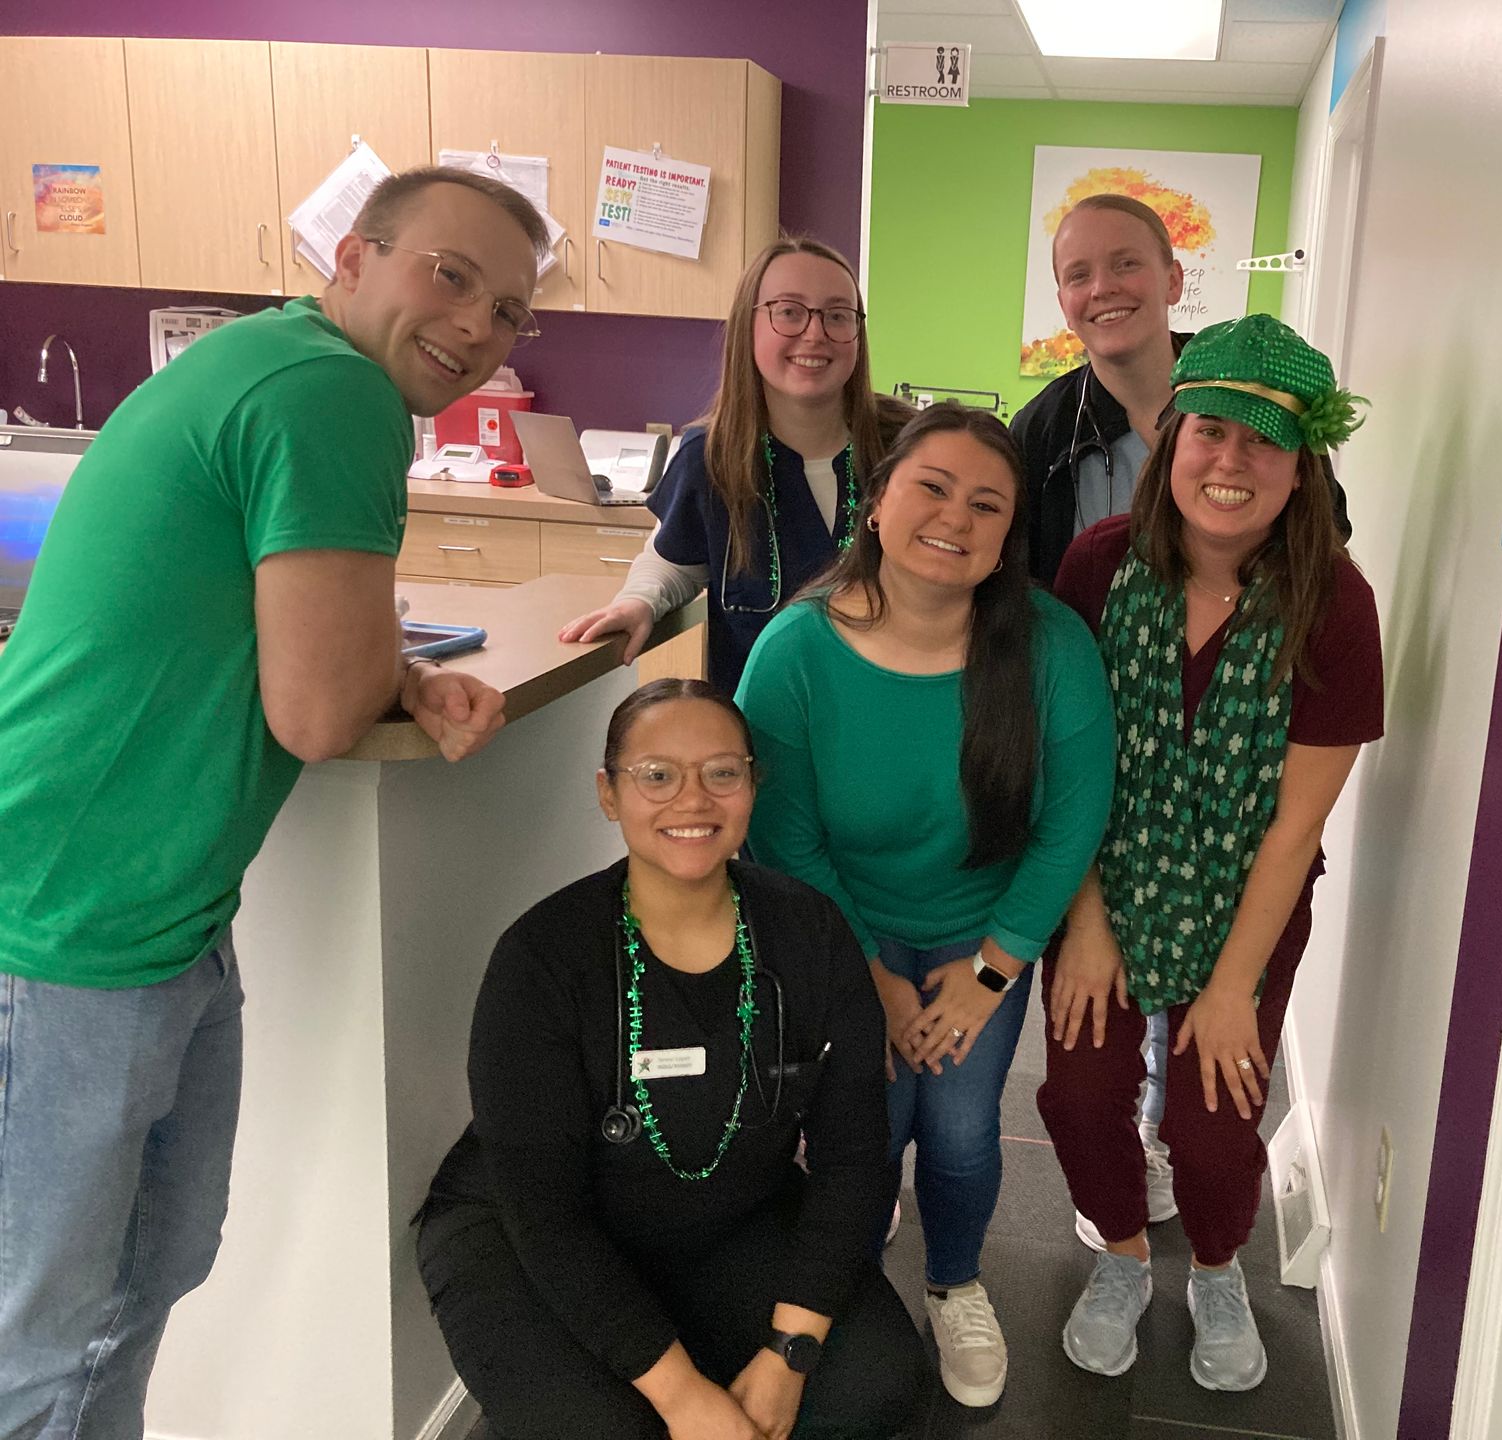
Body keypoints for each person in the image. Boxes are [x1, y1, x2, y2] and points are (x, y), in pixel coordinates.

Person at [0, 165, 543, 1434]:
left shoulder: (288, 368)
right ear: (351, 258)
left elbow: (289, 649)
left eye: (511, 311)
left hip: (154, 908)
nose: (476, 326)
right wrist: (382, 676)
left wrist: (395, 670)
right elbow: (314, 709)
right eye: (449, 277)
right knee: (50, 1334)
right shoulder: (332, 393)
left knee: (142, 1281)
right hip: (68, 915)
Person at [415, 680, 920, 1440]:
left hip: (726, 1214)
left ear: (753, 786)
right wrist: (683, 1395)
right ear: (609, 793)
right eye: (656, 774)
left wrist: (790, 1351)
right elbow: (546, 1216)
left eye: (722, 772)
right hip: (525, 1234)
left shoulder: (808, 932)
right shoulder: (543, 958)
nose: (692, 800)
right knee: (622, 1430)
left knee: (877, 1382)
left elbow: (853, 1158)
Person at [734, 404, 1115, 1409]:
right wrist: (875, 983)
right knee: (865, 1123)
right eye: (932, 488)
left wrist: (991, 971)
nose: (956, 517)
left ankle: (954, 1281)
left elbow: (1070, 827)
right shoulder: (794, 652)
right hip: (838, 925)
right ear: (876, 505)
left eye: (987, 504)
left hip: (981, 925)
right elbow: (789, 840)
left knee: (955, 1126)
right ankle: (841, 1291)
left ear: (1005, 541)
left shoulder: (1052, 646)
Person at [1036, 315, 1384, 1393]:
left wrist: (1233, 985)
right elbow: (1064, 761)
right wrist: (1087, 921)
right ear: (1174, 441)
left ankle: (1221, 1269)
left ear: (1299, 468)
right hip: (1105, 876)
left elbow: (1295, 830)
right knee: (1083, 1096)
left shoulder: (1335, 605)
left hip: (1248, 900)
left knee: (1217, 1127)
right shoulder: (1096, 566)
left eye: (1262, 443)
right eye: (1210, 433)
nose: (1230, 462)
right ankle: (1127, 1258)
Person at [559, 236, 908, 694]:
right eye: (789, 311)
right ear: (749, 324)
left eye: (838, 315)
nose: (815, 333)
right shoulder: (711, 456)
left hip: (882, 711)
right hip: (760, 721)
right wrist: (638, 602)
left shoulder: (906, 447)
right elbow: (674, 561)